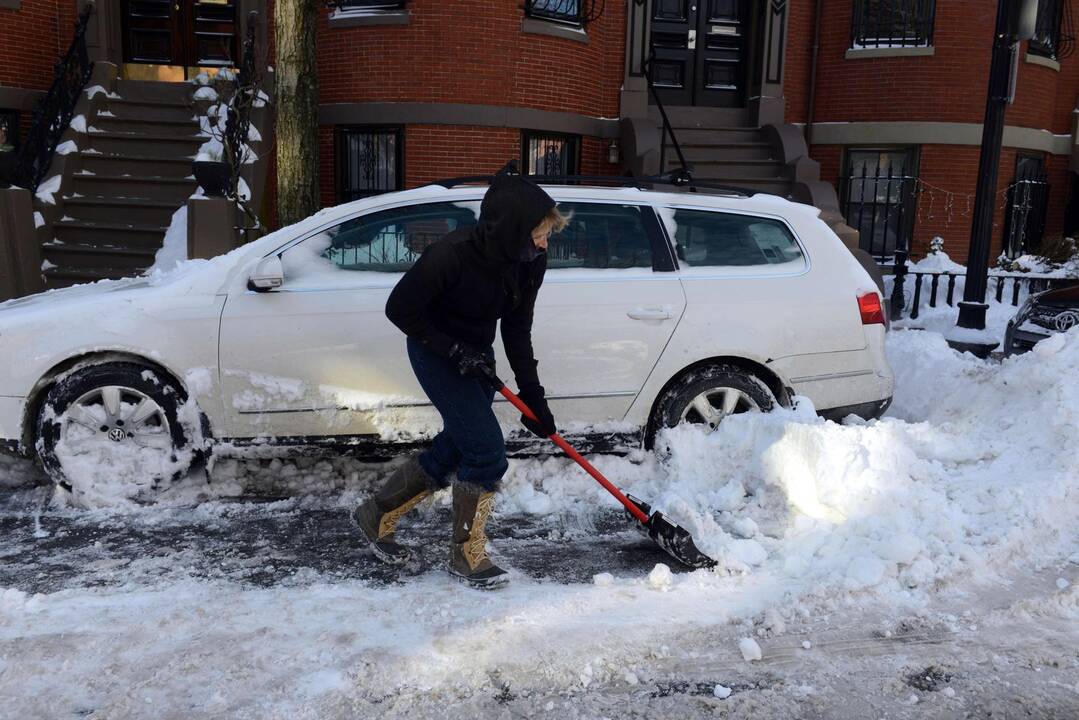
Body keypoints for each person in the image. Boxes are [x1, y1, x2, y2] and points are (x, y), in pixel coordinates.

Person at [352, 165, 570, 589]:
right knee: (486, 452)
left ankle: (375, 514)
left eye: (547, 233)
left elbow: (517, 329)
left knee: (458, 444)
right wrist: (453, 350)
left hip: (477, 353)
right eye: (538, 233)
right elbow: (399, 310)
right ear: (510, 230)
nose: (545, 243)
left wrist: (533, 397)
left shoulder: (529, 263)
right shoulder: (449, 256)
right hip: (435, 350)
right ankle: (465, 556)